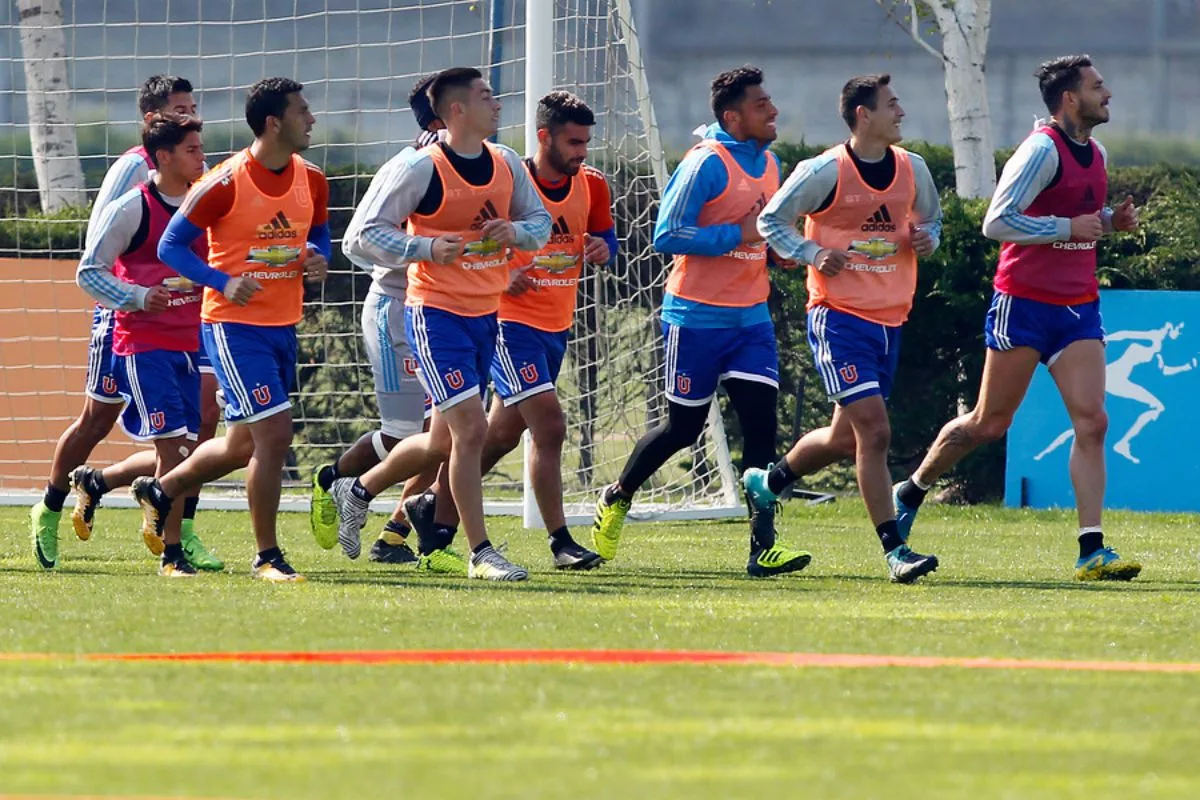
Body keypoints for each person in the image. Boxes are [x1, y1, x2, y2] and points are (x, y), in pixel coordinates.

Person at [892, 55, 1142, 582]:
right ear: (1070, 99)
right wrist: (1067, 223)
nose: (1108, 93)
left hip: (1077, 307)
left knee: (1094, 422)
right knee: (988, 424)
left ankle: (1091, 549)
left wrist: (1106, 222)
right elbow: (996, 222)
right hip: (1024, 304)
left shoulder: (1095, 152)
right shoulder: (1040, 149)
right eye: (1098, 86)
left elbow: (1077, 223)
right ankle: (912, 488)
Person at [589, 65, 810, 577]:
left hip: (751, 320)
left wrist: (783, 254)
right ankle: (617, 496)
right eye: (761, 105)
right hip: (694, 319)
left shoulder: (772, 164)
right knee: (682, 429)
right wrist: (738, 236)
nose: (773, 111)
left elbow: (766, 235)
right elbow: (667, 236)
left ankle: (763, 548)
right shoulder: (705, 164)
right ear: (732, 117)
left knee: (760, 432)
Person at [335, 66, 551, 581]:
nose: (497, 104)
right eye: (485, 96)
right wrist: (424, 248)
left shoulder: (505, 164)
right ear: (455, 111)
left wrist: (515, 231)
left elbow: (540, 226)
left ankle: (358, 489)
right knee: (472, 431)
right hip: (433, 315)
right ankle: (481, 553)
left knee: (443, 441)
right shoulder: (421, 168)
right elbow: (363, 234)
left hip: (485, 315)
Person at [746, 73, 944, 584]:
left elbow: (931, 223)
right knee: (875, 432)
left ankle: (768, 483)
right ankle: (895, 551)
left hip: (891, 319)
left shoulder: (912, 168)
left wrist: (927, 240)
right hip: (839, 317)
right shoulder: (825, 171)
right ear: (863, 115)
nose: (900, 113)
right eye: (891, 105)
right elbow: (772, 221)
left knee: (842, 439)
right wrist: (813, 253)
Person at [132, 77, 330, 582]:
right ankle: (267, 556)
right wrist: (223, 280)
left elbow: (321, 231)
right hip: (232, 327)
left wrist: (318, 257)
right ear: (273, 122)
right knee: (275, 434)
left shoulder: (312, 178)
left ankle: (162, 489)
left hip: (283, 324)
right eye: (302, 111)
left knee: (241, 445)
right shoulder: (224, 182)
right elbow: (170, 248)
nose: (311, 119)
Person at [409, 90, 616, 571]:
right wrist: (506, 273)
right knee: (549, 426)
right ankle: (561, 541)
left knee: (493, 436)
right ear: (544, 137)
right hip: (507, 324)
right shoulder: (507, 177)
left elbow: (605, 235)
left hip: (555, 326)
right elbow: (478, 239)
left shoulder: (594, 184)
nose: (582, 152)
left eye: (586, 142)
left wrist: (606, 249)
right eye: (573, 142)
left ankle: (419, 509)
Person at [31, 75, 220, 568]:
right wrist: (137, 296)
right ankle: (50, 507)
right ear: (152, 125)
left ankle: (182, 531)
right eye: (178, 112)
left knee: (197, 428)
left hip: (190, 324)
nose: (187, 119)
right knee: (99, 418)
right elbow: (100, 258)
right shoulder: (132, 180)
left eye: (191, 110)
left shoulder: (203, 179)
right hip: (126, 318)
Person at [309, 74, 445, 565]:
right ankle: (334, 480)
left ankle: (394, 536)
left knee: (449, 432)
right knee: (410, 437)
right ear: (442, 115)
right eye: (477, 98)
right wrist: (413, 263)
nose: (490, 108)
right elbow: (353, 242)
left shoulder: (483, 167)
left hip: (450, 315)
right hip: (397, 314)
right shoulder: (410, 167)